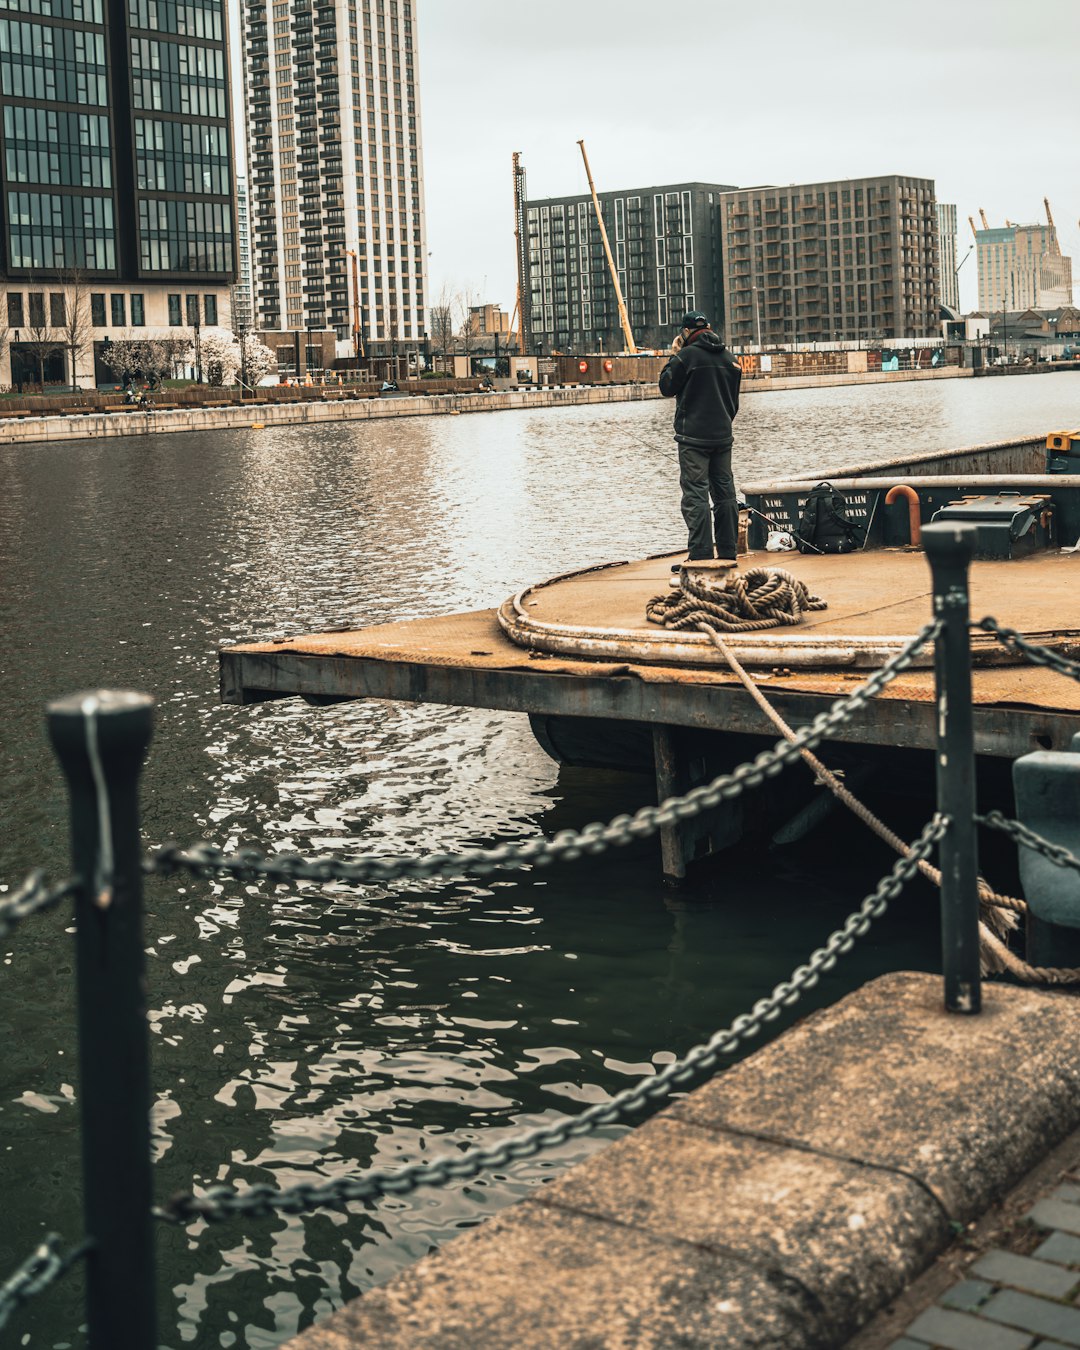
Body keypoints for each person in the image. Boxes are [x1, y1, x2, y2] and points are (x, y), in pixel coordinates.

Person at [658, 311, 742, 562]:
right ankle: (728, 552)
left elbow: (666, 386)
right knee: (726, 495)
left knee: (696, 495)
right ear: (709, 328)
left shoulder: (686, 357)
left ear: (685, 333)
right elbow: (733, 402)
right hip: (723, 437)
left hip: (693, 438)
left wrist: (674, 355)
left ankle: (701, 555)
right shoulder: (731, 359)